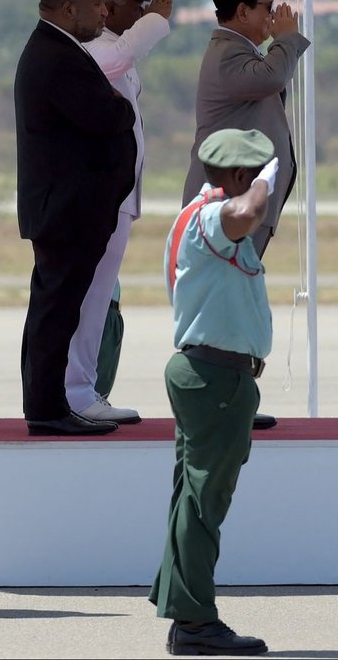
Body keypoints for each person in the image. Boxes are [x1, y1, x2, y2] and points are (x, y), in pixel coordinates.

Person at [150, 127, 276, 656]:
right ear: (240, 176)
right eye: (253, 174)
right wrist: (269, 183)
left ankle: (181, 604)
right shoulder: (213, 219)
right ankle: (196, 623)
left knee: (191, 499)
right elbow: (248, 214)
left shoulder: (190, 217)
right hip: (215, 380)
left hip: (210, 375)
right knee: (205, 503)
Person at [181, 0, 310, 430]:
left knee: (238, 300)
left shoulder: (239, 52)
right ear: (241, 11)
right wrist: (288, 39)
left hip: (243, 208)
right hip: (228, 209)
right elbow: (273, 76)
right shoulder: (227, 55)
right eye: (265, 6)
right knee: (226, 304)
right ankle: (220, 399)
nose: (273, 15)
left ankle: (232, 398)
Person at [14, 0, 137, 436]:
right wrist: (117, 105)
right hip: (67, 210)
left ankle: (48, 402)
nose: (104, 12)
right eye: (96, 6)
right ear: (68, 10)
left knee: (56, 308)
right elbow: (109, 113)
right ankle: (46, 409)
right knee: (56, 310)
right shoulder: (58, 55)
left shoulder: (62, 50)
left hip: (70, 208)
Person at [64, 0, 172, 422]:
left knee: (99, 294)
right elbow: (122, 56)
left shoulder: (113, 49)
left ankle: (84, 387)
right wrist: (159, 21)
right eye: (137, 3)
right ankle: (77, 391)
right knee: (89, 296)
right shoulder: (94, 49)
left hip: (117, 197)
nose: (143, 9)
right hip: (100, 198)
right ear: (108, 7)